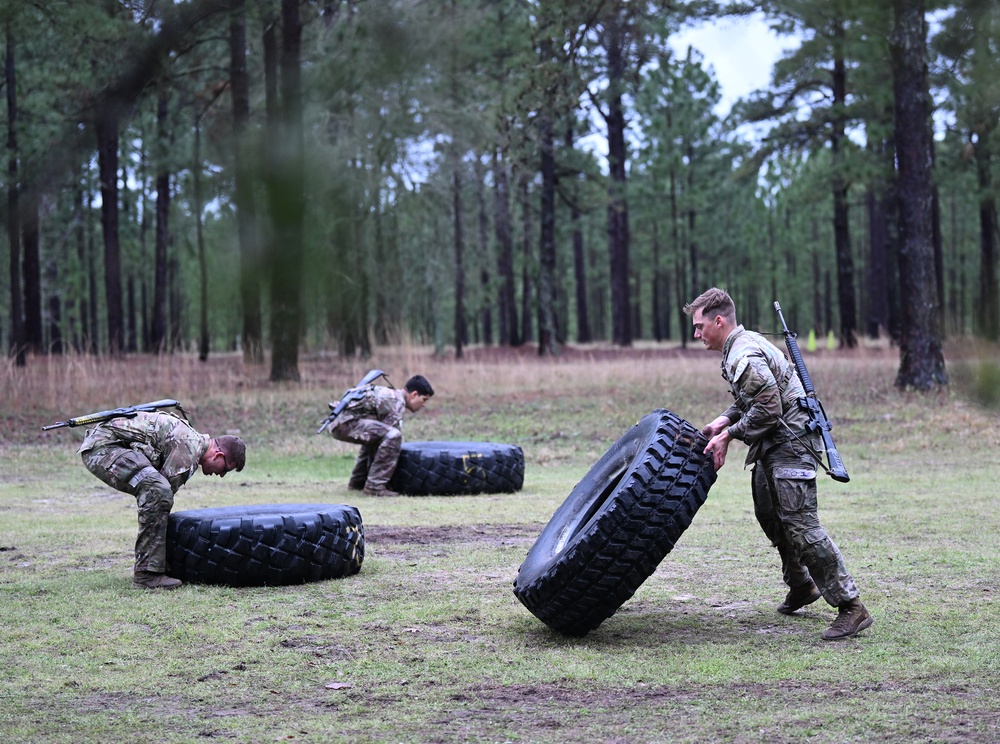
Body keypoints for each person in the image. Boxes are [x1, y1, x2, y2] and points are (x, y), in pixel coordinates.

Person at [684, 288, 873, 640]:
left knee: (801, 523)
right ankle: (802, 585)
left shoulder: (742, 353)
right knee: (769, 514)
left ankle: (851, 606)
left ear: (719, 321)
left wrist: (729, 436)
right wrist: (724, 421)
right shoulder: (741, 345)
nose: (697, 334)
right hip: (774, 442)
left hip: (792, 443)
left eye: (699, 326)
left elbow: (769, 409)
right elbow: (755, 397)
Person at [79, 410, 246, 590]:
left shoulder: (192, 443)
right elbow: (160, 496)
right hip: (103, 448)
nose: (221, 475)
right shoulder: (188, 450)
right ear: (218, 456)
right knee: (158, 491)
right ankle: (147, 575)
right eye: (225, 469)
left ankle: (156, 565)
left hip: (109, 445)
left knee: (158, 492)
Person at [327, 374, 434, 497]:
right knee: (394, 436)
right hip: (345, 424)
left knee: (378, 437)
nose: (424, 404)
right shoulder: (396, 401)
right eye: (424, 399)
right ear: (414, 394)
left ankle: (358, 482)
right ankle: (374, 486)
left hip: (339, 423)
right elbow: (387, 445)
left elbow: (378, 440)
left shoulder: (391, 395)